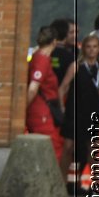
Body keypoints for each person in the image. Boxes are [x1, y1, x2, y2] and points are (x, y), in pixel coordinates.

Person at [61, 32, 99, 189]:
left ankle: (95, 185)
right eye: (88, 47)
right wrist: (62, 108)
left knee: (93, 149)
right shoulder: (76, 67)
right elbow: (64, 87)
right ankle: (61, 183)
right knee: (68, 147)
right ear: (84, 49)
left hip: (93, 112)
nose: (91, 50)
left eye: (95, 47)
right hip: (75, 111)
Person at [25, 26, 65, 170]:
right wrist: (23, 109)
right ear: (54, 41)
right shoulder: (42, 60)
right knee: (51, 146)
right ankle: (47, 180)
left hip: (43, 108)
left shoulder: (38, 56)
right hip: (41, 111)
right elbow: (33, 88)